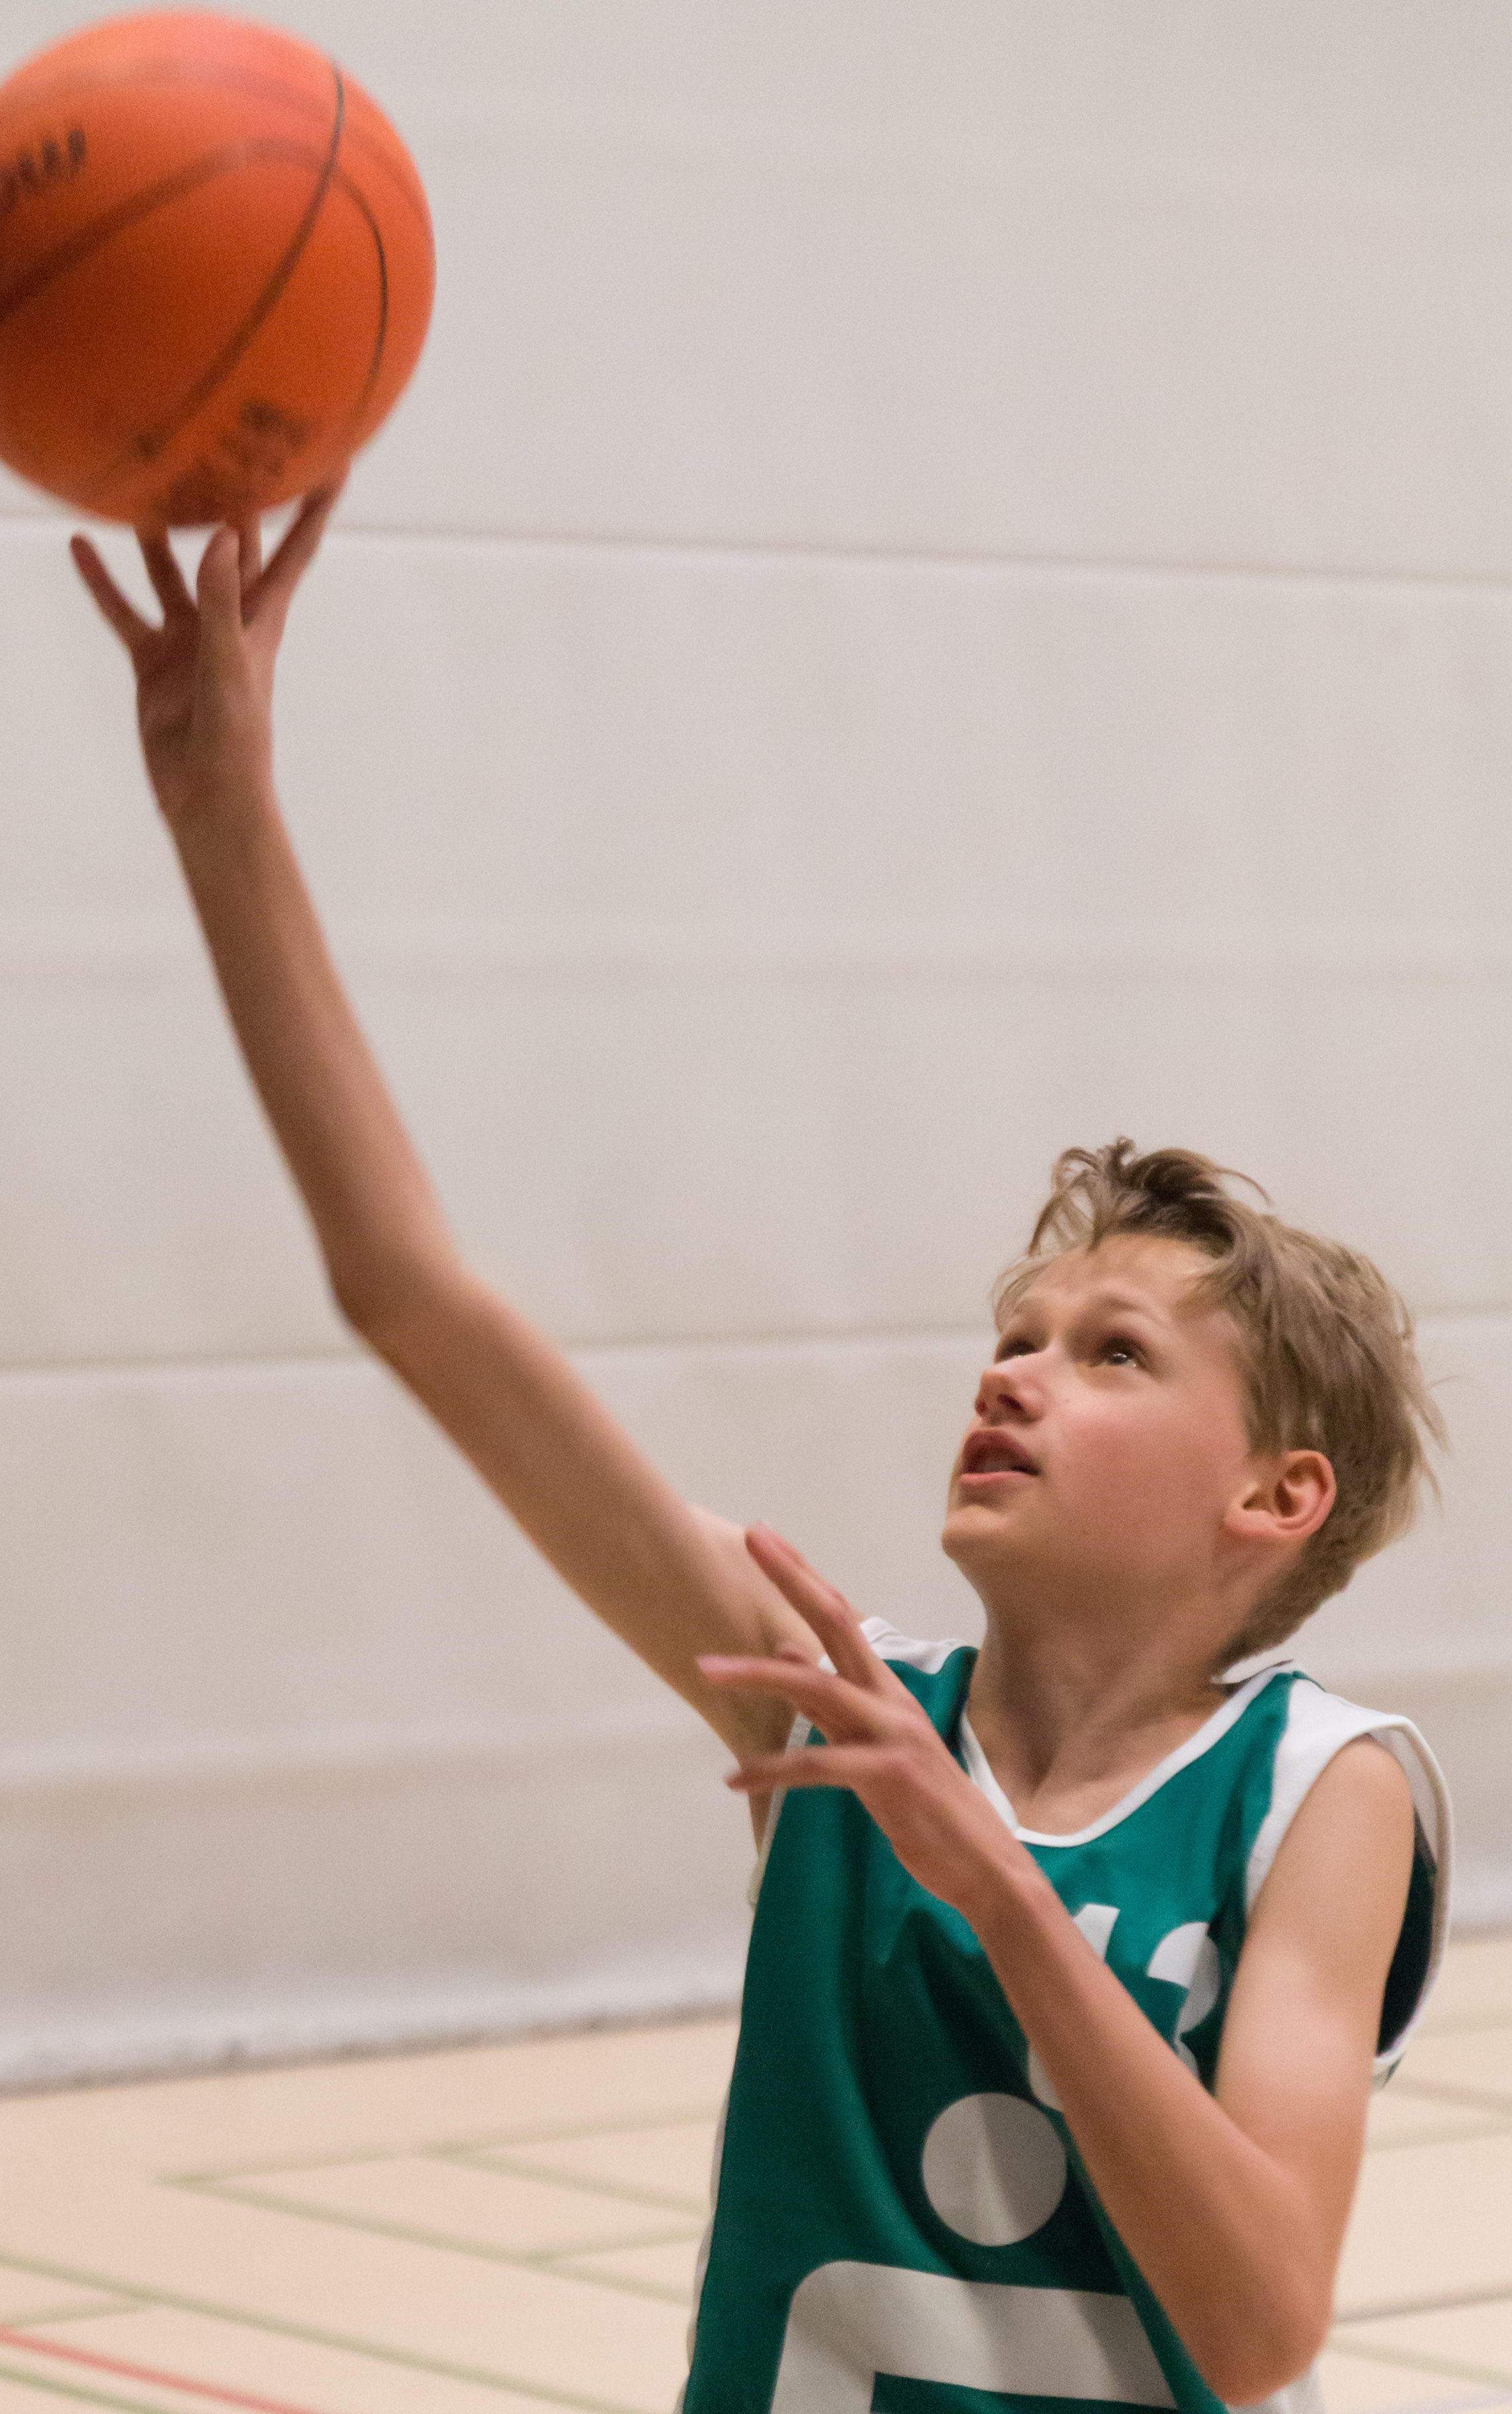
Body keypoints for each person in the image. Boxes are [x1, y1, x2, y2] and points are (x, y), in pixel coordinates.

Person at [72, 490, 1450, 2414]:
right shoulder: (833, 1704)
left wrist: (996, 1888)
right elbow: (411, 1294)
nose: (1016, 1377)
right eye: (1015, 1337)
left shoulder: (1321, 1791)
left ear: (1274, 1499)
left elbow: (1260, 2326)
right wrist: (223, 813)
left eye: (1111, 1354)